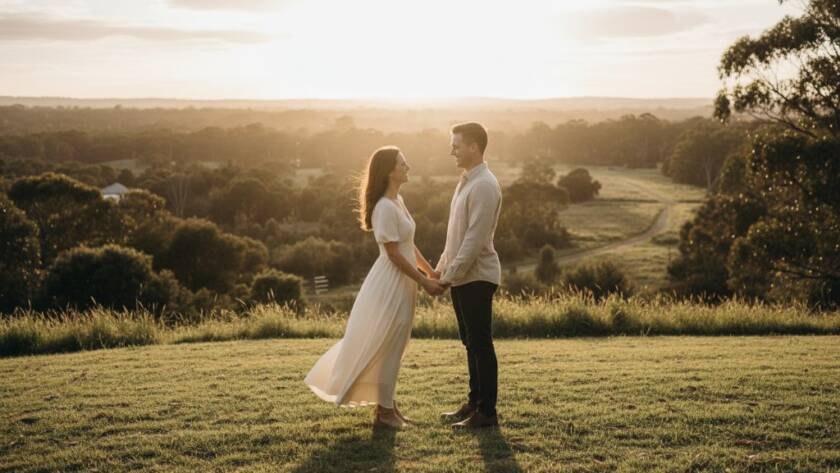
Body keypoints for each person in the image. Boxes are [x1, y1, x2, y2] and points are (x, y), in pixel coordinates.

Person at [304, 146, 444, 429]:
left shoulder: (398, 201)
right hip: (390, 282)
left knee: (396, 343)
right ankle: (386, 412)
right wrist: (424, 281)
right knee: (388, 343)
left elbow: (408, 245)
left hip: (405, 281)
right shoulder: (383, 207)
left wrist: (430, 271)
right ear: (389, 171)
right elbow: (393, 254)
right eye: (403, 164)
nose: (408, 167)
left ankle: (387, 408)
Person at [434, 122, 503, 429]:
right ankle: (474, 403)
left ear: (474, 146)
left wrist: (448, 276)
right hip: (462, 276)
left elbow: (474, 240)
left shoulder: (485, 185)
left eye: (457, 144)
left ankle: (487, 413)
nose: (452, 150)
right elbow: (455, 236)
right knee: (470, 343)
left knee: (481, 343)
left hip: (477, 276)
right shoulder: (466, 182)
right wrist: (440, 269)